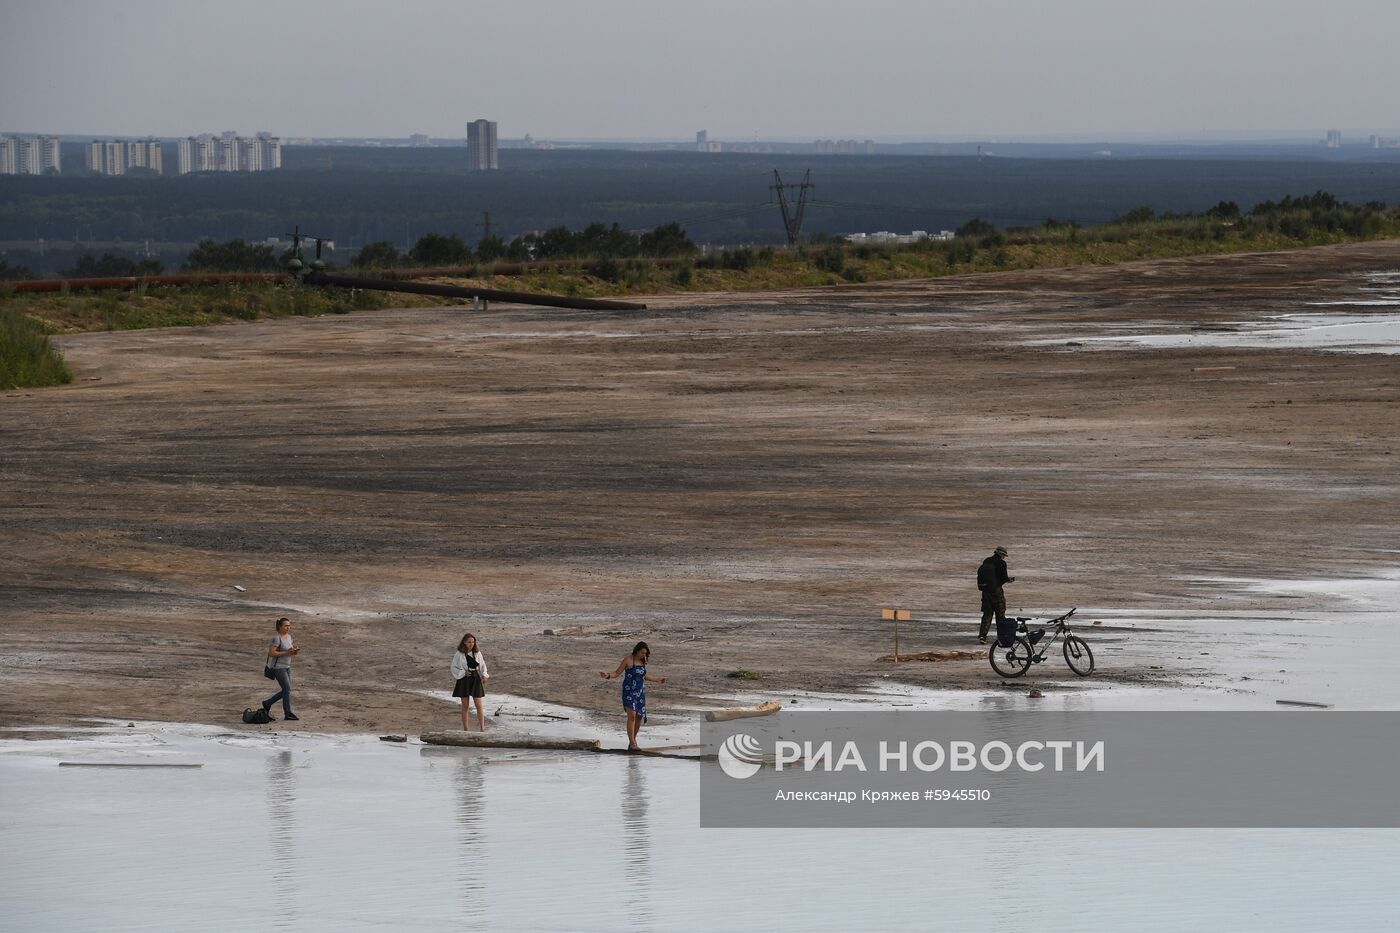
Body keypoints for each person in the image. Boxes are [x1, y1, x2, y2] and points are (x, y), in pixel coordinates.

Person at [600, 641, 665, 751]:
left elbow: (643, 675)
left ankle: (632, 742)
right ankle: (632, 743)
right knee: (632, 716)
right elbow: (617, 673)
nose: (644, 655)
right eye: (642, 653)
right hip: (629, 691)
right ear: (637, 651)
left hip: (640, 693)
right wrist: (608, 675)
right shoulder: (628, 659)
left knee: (639, 716)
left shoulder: (643, 661)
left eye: (645, 653)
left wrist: (657, 679)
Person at [262, 617, 301, 721]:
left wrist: (293, 651)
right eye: (286, 626)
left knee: (286, 690)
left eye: (289, 625)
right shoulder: (276, 638)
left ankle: (267, 703)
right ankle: (288, 713)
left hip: (287, 667)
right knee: (287, 690)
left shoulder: (289, 637)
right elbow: (271, 653)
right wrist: (287, 652)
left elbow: (288, 651)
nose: (288, 627)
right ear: (280, 626)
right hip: (278, 668)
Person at [977, 546, 1016, 645]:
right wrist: (1009, 580)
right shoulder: (1002, 563)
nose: (1004, 557)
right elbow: (1004, 578)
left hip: (986, 591)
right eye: (1004, 555)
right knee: (1000, 614)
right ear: (1001, 554)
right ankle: (1001, 636)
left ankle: (982, 636)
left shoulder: (987, 560)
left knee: (987, 614)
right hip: (996, 591)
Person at [451, 633, 489, 731]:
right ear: (464, 642)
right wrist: (463, 673)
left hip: (475, 679)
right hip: (463, 680)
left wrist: (484, 675)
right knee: (465, 706)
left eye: (473, 642)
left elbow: (482, 666)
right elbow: (453, 667)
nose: (471, 644)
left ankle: (482, 729)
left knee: (479, 705)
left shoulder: (477, 653)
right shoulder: (459, 654)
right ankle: (466, 730)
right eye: (469, 642)